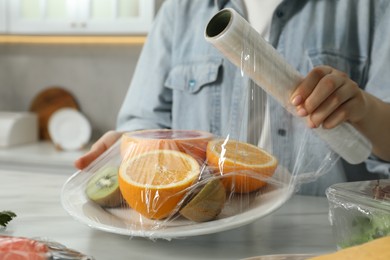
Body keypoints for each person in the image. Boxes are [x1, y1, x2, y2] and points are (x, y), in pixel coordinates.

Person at [75, 0, 390, 196]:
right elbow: (144, 123)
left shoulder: (370, 8)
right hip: (207, 228)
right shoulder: (181, 10)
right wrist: (129, 144)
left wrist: (364, 110)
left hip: (323, 234)